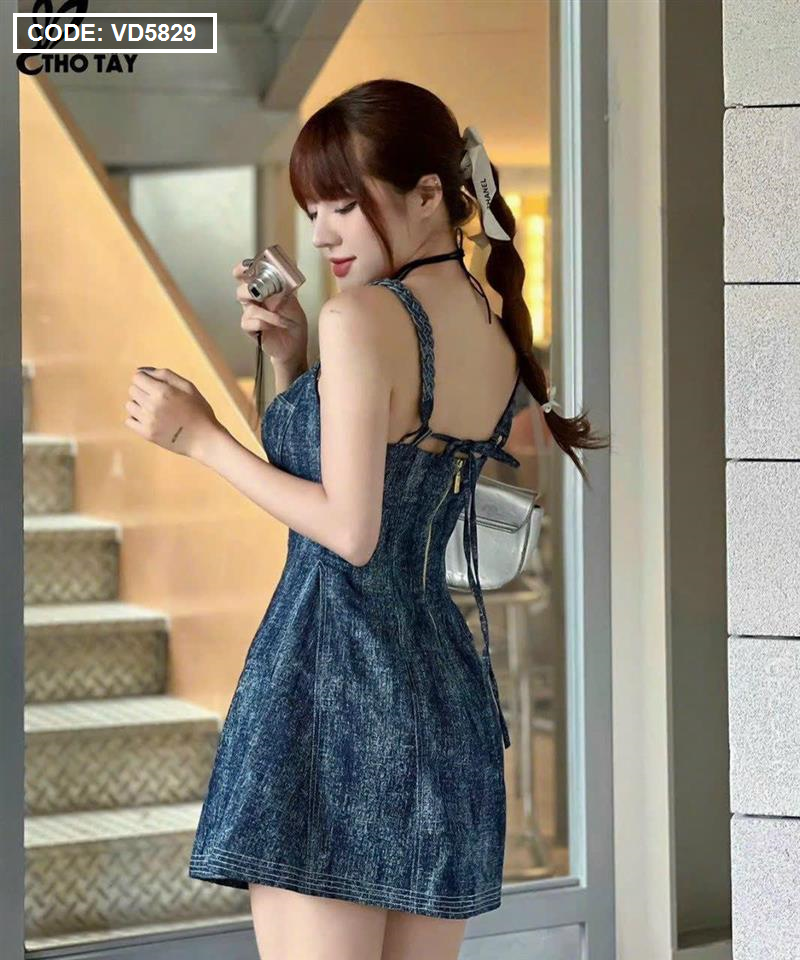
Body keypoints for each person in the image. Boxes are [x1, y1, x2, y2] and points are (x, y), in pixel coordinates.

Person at [126, 78, 608, 960]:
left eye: (343, 205)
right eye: (314, 209)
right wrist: (290, 360)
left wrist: (200, 439)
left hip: (332, 684)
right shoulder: (488, 321)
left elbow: (350, 533)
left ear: (428, 194)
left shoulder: (364, 318)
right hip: (440, 690)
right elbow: (362, 472)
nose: (321, 234)